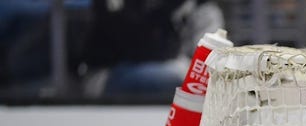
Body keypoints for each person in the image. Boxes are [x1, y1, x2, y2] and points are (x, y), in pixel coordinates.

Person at [75, 0, 223, 100]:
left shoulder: (203, 8)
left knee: (197, 79)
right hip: (107, 74)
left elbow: (210, 63)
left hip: (169, 67)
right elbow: (138, 48)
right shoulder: (124, 6)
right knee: (179, 77)